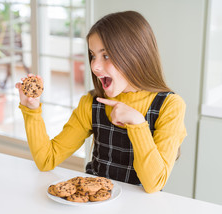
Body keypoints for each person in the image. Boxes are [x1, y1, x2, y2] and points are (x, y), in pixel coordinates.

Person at [15, 11, 187, 193]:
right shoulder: (91, 103)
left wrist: (137, 123)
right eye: (93, 55)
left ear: (135, 55)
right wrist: (31, 109)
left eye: (106, 56)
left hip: (140, 212)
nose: (94, 66)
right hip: (93, 207)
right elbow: (46, 160)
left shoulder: (170, 106)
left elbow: (154, 184)